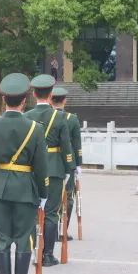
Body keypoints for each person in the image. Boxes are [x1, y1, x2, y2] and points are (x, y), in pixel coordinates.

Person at [0, 73, 49, 274]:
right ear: (24, 100)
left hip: (0, 191)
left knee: (1, 239)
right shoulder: (35, 129)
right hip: (26, 191)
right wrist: (43, 194)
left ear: (3, 99)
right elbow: (41, 168)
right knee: (23, 238)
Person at [24, 74, 74, 267]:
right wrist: (68, 169)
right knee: (51, 213)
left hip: (30, 170)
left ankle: (33, 251)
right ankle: (47, 255)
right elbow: (66, 147)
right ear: (51, 94)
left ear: (34, 94)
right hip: (54, 168)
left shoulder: (27, 117)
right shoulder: (59, 117)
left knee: (32, 213)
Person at [51, 86, 82, 240]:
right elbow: (76, 144)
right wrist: (78, 164)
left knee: (48, 198)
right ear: (65, 101)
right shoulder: (71, 119)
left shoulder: (45, 117)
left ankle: (49, 229)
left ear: (50, 100)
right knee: (68, 198)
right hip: (68, 163)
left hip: (48, 162)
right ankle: (63, 230)